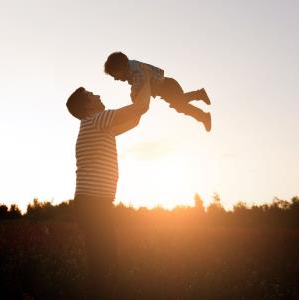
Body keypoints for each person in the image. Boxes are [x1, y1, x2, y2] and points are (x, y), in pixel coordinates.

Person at [66, 79, 151, 299]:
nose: (97, 95)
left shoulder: (99, 125)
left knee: (104, 258)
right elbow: (140, 109)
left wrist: (140, 93)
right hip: (93, 203)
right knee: (103, 260)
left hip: (95, 203)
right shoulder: (97, 120)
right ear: (87, 105)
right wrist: (147, 80)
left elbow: (135, 119)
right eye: (91, 94)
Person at [104, 51, 212, 132]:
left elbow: (139, 81)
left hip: (167, 86)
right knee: (179, 105)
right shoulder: (132, 68)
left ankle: (200, 96)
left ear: (121, 67)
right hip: (165, 87)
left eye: (115, 75)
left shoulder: (134, 70)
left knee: (179, 103)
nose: (115, 78)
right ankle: (203, 115)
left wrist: (133, 94)